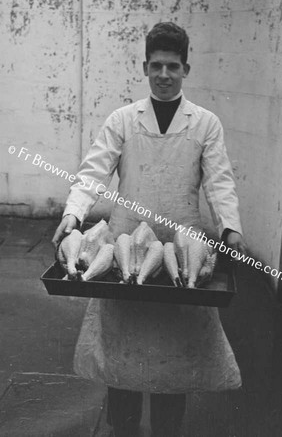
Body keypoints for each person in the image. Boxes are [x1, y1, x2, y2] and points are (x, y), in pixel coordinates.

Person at [52, 22, 246, 437]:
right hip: (125, 247)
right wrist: (73, 213)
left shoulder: (205, 124)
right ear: (144, 66)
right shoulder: (123, 119)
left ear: (185, 69)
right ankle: (122, 428)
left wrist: (230, 229)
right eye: (156, 66)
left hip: (183, 247)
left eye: (172, 66)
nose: (163, 75)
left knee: (173, 359)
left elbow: (219, 181)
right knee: (123, 357)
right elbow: (95, 170)